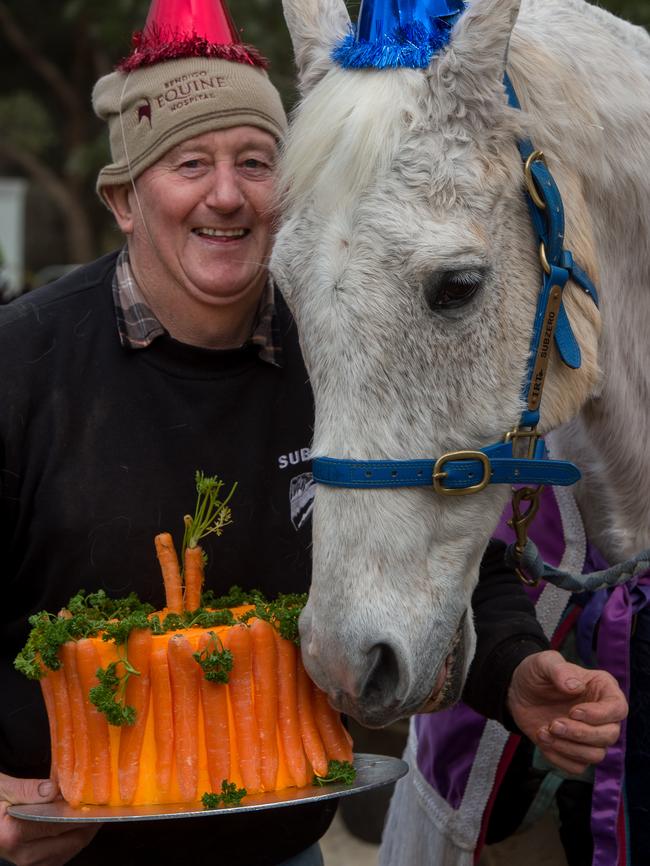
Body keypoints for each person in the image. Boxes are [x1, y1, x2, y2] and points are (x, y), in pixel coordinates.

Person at [0, 1, 626, 864]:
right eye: (190, 162)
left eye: (256, 161)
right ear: (123, 199)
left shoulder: (339, 336)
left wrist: (515, 671)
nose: (227, 193)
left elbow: (447, 547)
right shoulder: (21, 365)